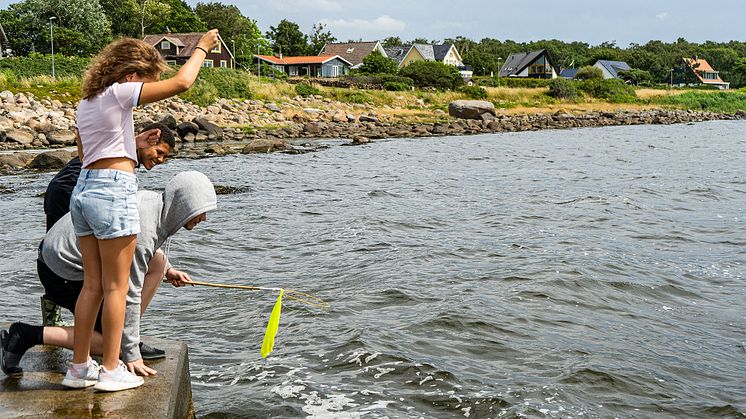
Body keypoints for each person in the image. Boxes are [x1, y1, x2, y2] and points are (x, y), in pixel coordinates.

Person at [69, 30, 219, 392]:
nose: (146, 91)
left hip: (83, 190)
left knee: (92, 286)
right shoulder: (121, 93)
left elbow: (82, 150)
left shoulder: (86, 103)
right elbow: (183, 83)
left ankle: (78, 369)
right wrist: (202, 47)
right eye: (146, 82)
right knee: (117, 287)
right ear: (132, 74)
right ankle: (110, 370)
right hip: (111, 189)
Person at [1, 171, 217, 381]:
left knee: (158, 264)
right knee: (107, 342)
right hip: (60, 269)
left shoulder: (153, 202)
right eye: (201, 210)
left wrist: (168, 270)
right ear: (184, 204)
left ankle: (124, 337)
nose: (204, 218)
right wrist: (131, 354)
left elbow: (145, 251)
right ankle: (24, 335)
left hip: (63, 251)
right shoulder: (144, 228)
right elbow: (129, 293)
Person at [40, 122, 175, 331]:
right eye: (159, 152)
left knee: (89, 263)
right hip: (66, 194)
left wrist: (166, 267)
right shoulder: (122, 156)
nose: (160, 160)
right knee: (71, 258)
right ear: (146, 139)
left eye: (165, 157)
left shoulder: (126, 159)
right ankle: (72, 319)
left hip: (72, 192)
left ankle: (87, 320)